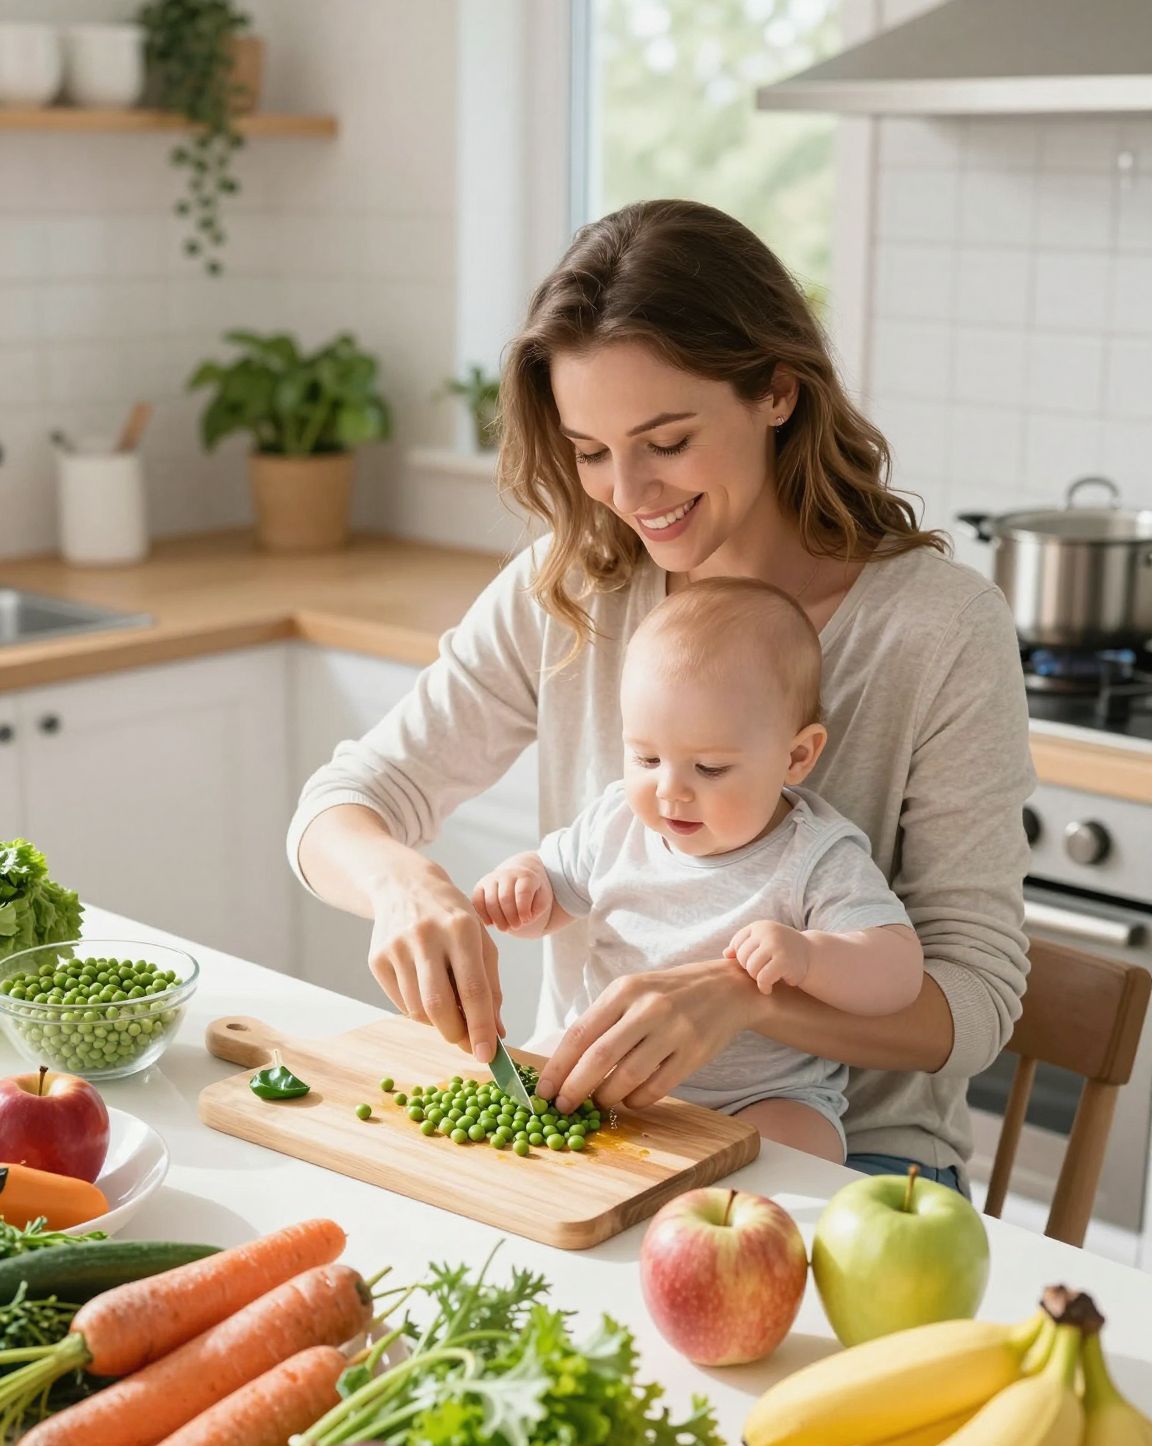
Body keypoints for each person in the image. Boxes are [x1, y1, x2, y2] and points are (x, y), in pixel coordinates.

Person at [287, 198, 1033, 1191]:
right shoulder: (572, 585)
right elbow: (342, 804)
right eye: (591, 451)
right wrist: (402, 886)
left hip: (851, 1159)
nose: (629, 493)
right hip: (598, 1126)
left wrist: (748, 998)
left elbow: (976, 1000)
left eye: (668, 441)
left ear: (777, 391)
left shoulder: (937, 628)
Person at [471, 578, 923, 1165]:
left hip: (755, 1097)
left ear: (796, 757)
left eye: (709, 768)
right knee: (534, 1079)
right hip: (607, 1070)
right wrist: (522, 884)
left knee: (803, 1143)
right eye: (646, 758)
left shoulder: (815, 856)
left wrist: (810, 957)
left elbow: (899, 970)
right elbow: (550, 903)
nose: (670, 791)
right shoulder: (615, 822)